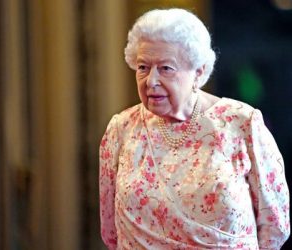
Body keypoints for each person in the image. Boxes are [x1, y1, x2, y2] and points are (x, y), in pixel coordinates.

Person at [99, 8, 290, 249]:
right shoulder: (121, 129)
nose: (151, 81)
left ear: (198, 73)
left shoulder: (242, 123)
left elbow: (275, 225)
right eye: (143, 68)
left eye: (166, 68)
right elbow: (110, 231)